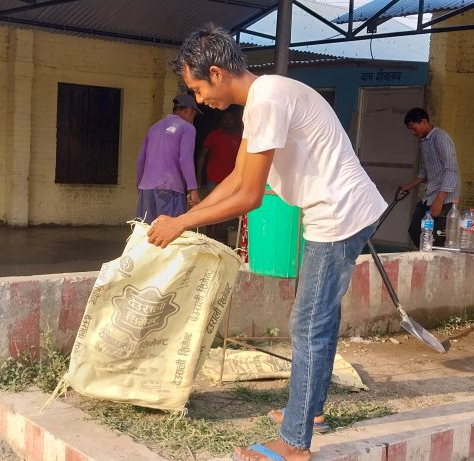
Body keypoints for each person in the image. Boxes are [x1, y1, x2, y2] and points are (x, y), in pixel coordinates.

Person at [147, 23, 386, 461]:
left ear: (216, 73)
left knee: (308, 324)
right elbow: (237, 177)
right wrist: (184, 219)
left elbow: (250, 197)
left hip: (338, 215)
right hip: (337, 211)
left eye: (197, 89)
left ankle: (294, 443)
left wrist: (182, 225)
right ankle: (309, 411)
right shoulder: (264, 98)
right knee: (320, 319)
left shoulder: (268, 99)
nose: (200, 100)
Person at [398, 108, 460, 248]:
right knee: (415, 230)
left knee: (436, 237)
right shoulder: (425, 142)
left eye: (414, 128)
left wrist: (439, 200)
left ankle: (436, 260)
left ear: (424, 122)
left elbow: (451, 170)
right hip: (431, 195)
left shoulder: (440, 138)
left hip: (445, 198)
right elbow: (424, 172)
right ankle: (426, 256)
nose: (413, 133)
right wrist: (407, 186)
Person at [135, 94, 202, 223]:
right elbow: (185, 160)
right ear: (188, 111)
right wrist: (193, 189)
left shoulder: (153, 128)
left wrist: (140, 186)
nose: (193, 119)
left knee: (145, 232)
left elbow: (140, 160)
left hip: (146, 190)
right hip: (170, 189)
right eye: (194, 115)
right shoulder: (187, 128)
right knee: (171, 232)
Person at [198, 108, 243, 194]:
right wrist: (199, 175)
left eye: (230, 118)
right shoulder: (213, 135)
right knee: (212, 202)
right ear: (221, 121)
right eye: (225, 118)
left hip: (232, 180)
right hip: (213, 180)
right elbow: (202, 156)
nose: (228, 121)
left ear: (234, 121)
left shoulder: (239, 138)